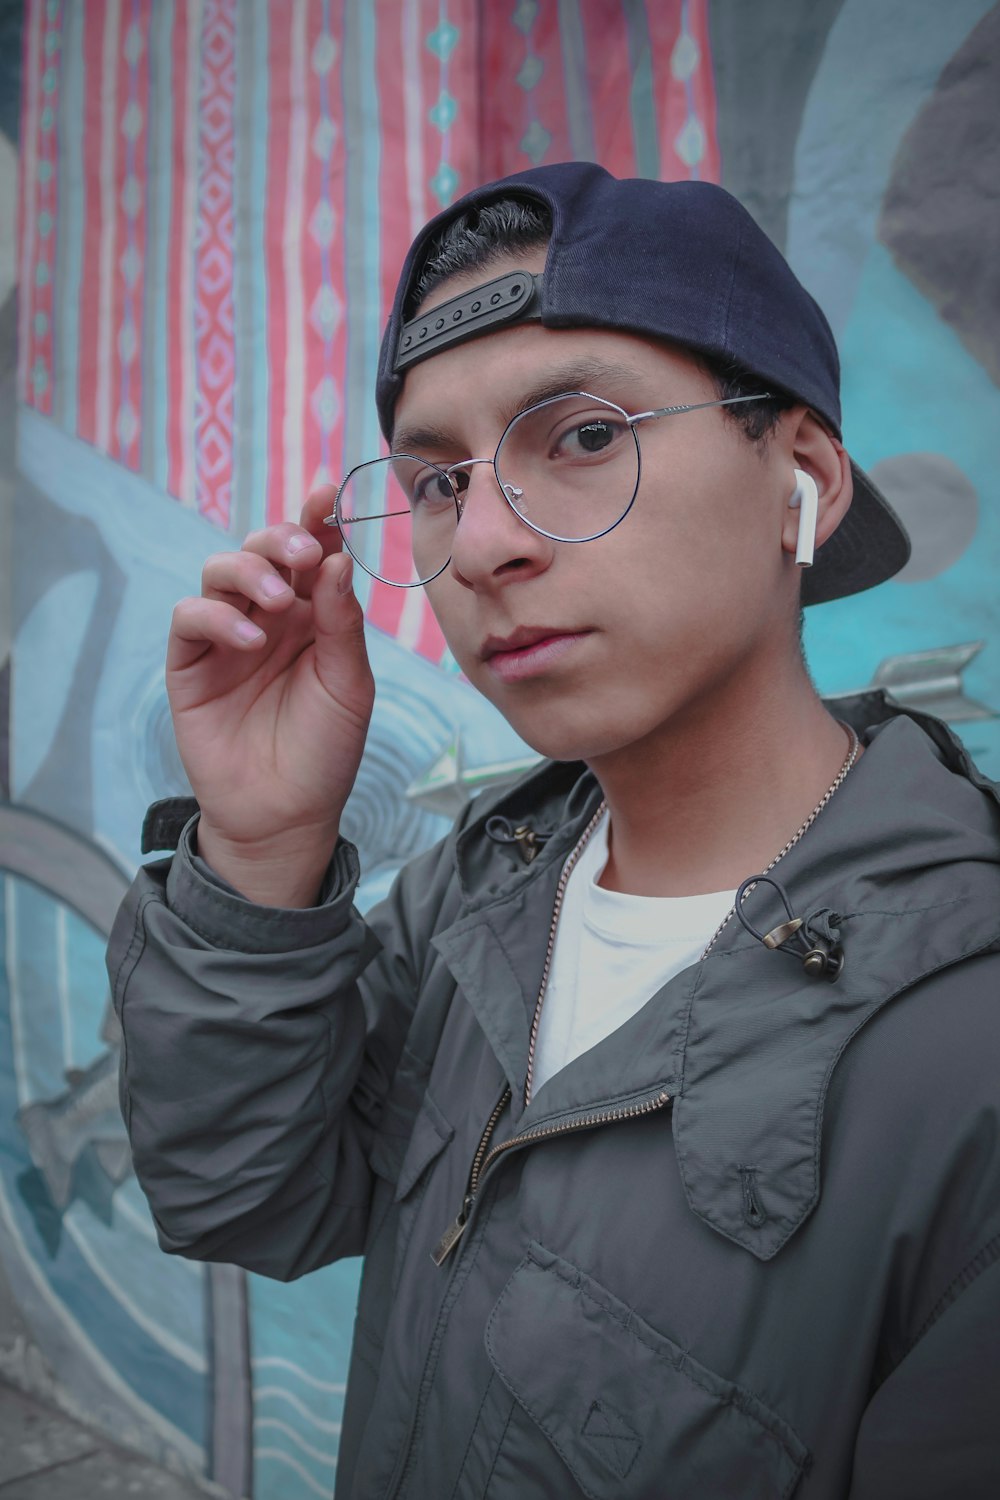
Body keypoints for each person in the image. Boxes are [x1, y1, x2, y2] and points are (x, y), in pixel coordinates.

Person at [109, 163, 1000, 1499]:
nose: (479, 545)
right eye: (439, 478)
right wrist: (258, 849)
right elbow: (250, 1200)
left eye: (582, 435)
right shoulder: (486, 889)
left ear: (799, 478)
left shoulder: (962, 1034)